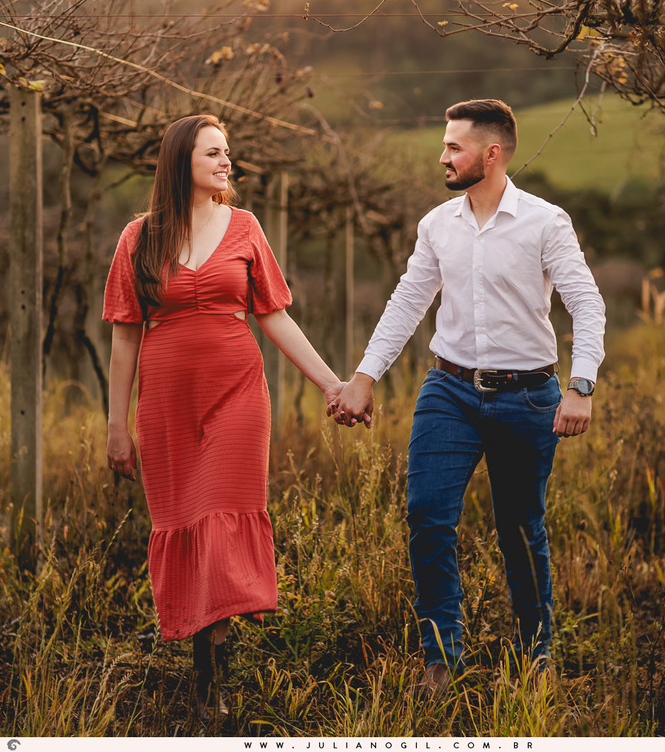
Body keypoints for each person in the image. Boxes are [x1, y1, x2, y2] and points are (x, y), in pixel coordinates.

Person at [329, 99, 606, 694]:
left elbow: (586, 303)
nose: (443, 156)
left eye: (454, 146)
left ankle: (537, 655)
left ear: (492, 153)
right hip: (448, 391)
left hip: (530, 399)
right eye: (445, 145)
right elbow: (407, 302)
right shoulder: (437, 225)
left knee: (519, 526)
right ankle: (441, 658)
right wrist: (364, 376)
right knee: (428, 514)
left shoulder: (545, 222)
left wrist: (580, 386)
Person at [104, 114, 344, 719]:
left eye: (228, 154)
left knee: (220, 513)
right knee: (183, 516)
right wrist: (115, 425)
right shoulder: (139, 238)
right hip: (164, 401)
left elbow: (276, 316)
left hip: (237, 391)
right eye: (214, 153)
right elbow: (125, 336)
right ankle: (203, 660)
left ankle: (214, 670)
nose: (226, 163)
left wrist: (332, 383)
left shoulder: (245, 227)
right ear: (181, 160)